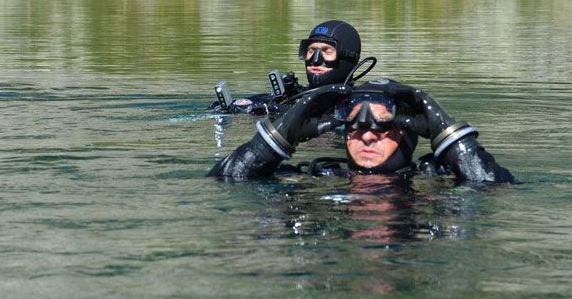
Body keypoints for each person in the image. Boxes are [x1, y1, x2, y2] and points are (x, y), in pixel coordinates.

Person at [209, 77, 514, 183]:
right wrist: (281, 134)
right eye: (355, 127)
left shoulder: (437, 179)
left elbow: (491, 189)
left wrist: (449, 136)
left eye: (383, 127)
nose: (367, 136)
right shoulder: (315, 177)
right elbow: (224, 182)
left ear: (410, 132)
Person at [211, 20, 374, 115]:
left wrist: (276, 111)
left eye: (326, 51)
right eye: (311, 51)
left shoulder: (359, 103)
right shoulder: (298, 95)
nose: (315, 60)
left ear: (347, 57)